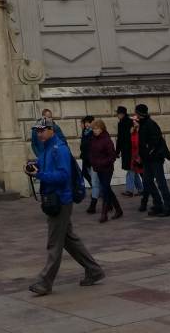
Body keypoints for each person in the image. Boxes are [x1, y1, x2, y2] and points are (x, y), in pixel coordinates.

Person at [25, 117, 105, 296]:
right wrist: (33, 166)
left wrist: (40, 175)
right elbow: (44, 166)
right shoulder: (47, 149)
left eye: (42, 130)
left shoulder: (59, 149)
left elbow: (63, 176)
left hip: (61, 199)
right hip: (53, 199)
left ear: (51, 130)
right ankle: (94, 270)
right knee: (69, 240)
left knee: (54, 243)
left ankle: (45, 282)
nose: (39, 134)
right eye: (37, 131)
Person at [134, 104, 170, 217]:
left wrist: (148, 151)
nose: (135, 115)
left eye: (136, 113)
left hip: (155, 158)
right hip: (147, 159)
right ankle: (158, 204)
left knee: (161, 182)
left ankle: (168, 207)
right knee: (147, 182)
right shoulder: (142, 124)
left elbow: (155, 141)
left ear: (139, 114)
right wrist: (141, 156)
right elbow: (142, 143)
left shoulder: (150, 124)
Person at [89, 120, 122, 223]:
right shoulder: (93, 139)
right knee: (107, 188)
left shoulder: (106, 140)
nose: (95, 131)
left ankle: (104, 214)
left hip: (107, 169)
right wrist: (93, 161)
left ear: (102, 129)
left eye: (97, 129)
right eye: (94, 129)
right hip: (98, 168)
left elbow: (112, 156)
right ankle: (118, 210)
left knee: (105, 189)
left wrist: (101, 162)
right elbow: (91, 152)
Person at [116, 106, 143, 197]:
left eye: (118, 113)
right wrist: (118, 150)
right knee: (133, 170)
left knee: (131, 170)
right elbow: (120, 138)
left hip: (132, 150)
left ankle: (129, 190)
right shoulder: (121, 123)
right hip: (126, 150)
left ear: (122, 114)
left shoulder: (130, 122)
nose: (117, 115)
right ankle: (141, 189)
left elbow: (132, 137)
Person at [80, 116, 101, 214]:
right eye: (85, 123)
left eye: (88, 122)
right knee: (96, 182)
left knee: (96, 183)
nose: (87, 124)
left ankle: (93, 205)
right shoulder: (85, 133)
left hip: (94, 161)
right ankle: (110, 203)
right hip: (87, 159)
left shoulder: (94, 134)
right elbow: (84, 146)